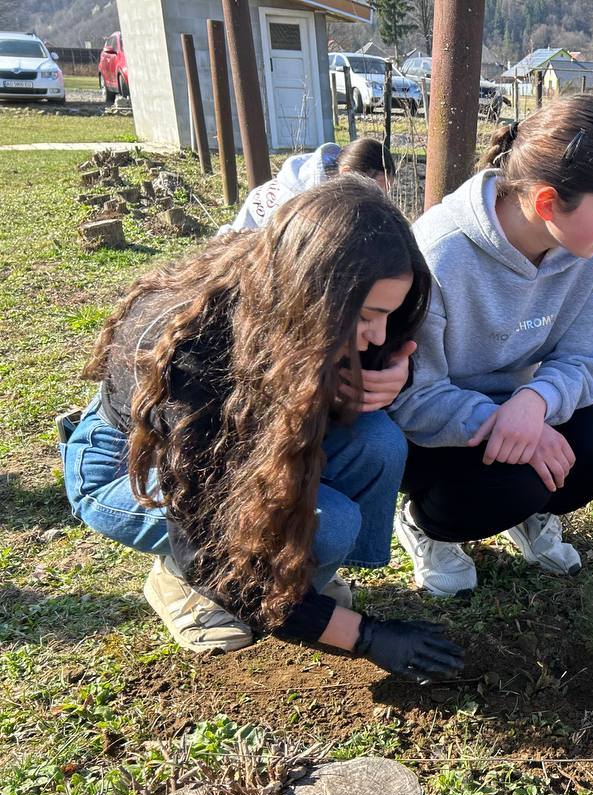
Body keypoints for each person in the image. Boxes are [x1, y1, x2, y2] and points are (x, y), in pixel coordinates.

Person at [62, 177, 463, 682]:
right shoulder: (193, 354)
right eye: (367, 317)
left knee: (377, 442)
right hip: (132, 462)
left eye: (389, 315)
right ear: (314, 294)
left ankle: (297, 580)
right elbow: (206, 541)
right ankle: (183, 583)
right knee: (327, 522)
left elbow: (363, 366)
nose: (378, 335)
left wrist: (394, 373)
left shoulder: (295, 304)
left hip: (244, 434)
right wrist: (364, 635)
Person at [390, 95, 593, 597]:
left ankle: (528, 515)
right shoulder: (440, 254)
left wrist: (535, 401)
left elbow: (586, 358)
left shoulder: (589, 250)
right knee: (518, 479)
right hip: (433, 431)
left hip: (517, 407)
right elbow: (412, 396)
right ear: (546, 203)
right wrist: (503, 423)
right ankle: (426, 525)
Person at [220, 137, 396, 233]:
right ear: (346, 173)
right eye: (376, 190)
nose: (380, 200)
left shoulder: (329, 176)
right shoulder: (301, 201)